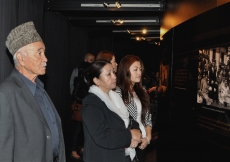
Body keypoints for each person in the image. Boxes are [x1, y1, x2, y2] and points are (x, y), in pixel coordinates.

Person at [0, 21, 65, 161]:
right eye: (39, 53)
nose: (45, 59)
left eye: (44, 52)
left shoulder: (40, 89)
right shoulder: (6, 93)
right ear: (21, 59)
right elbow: (3, 151)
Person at [81, 60, 142, 162]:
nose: (114, 76)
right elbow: (103, 136)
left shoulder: (114, 96)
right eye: (108, 74)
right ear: (96, 80)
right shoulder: (91, 103)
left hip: (124, 155)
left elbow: (130, 119)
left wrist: (136, 131)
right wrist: (130, 135)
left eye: (113, 72)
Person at [116, 55, 152, 162]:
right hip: (129, 142)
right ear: (125, 71)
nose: (139, 73)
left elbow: (148, 118)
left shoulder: (142, 92)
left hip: (143, 141)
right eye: (135, 69)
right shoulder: (118, 92)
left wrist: (148, 138)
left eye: (140, 69)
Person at [70, 61, 91, 159]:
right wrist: (86, 100)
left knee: (84, 130)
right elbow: (75, 94)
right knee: (77, 130)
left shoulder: (88, 80)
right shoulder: (80, 80)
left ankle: (82, 148)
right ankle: (73, 151)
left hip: (87, 108)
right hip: (81, 108)